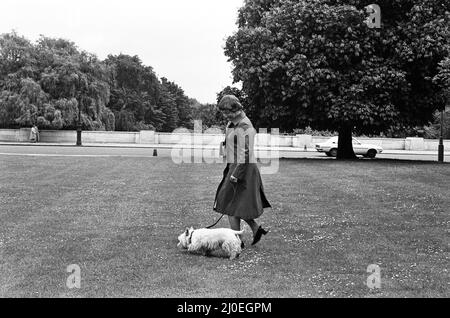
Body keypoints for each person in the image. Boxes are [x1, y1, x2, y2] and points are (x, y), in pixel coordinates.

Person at [213, 95, 271, 247]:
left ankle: (236, 242)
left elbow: (245, 153)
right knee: (235, 205)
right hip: (235, 165)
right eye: (224, 113)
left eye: (227, 112)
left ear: (237, 109)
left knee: (229, 205)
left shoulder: (245, 126)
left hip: (243, 169)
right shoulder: (233, 123)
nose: (225, 116)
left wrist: (235, 174)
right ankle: (255, 229)